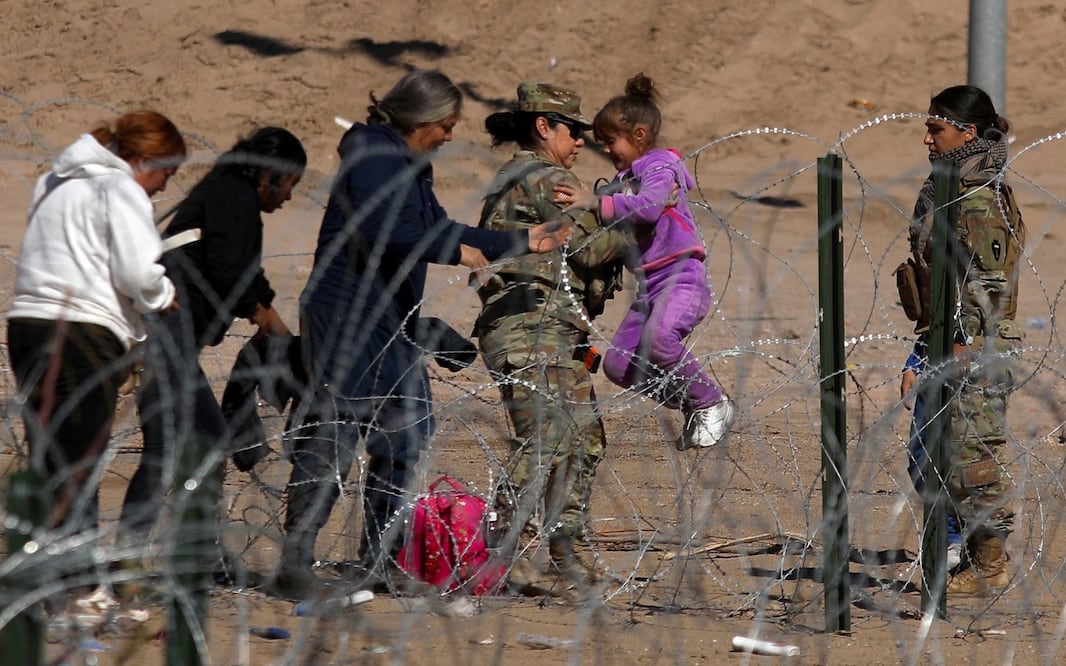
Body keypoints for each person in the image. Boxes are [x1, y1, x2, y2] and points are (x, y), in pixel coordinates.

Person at [275, 69, 571, 596]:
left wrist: (524, 241)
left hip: (388, 323)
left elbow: (439, 229)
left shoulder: (411, 166)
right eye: (448, 125)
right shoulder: (371, 153)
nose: (451, 137)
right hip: (344, 316)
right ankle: (295, 562)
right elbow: (383, 227)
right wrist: (453, 250)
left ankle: (381, 558)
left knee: (406, 434)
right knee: (338, 434)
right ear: (424, 119)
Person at [115, 127, 306, 592]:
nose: (288, 198)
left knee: (172, 449)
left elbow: (236, 268)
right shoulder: (231, 197)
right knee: (202, 443)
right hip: (164, 339)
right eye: (289, 185)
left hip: (161, 339)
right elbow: (230, 271)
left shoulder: (225, 194)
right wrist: (271, 322)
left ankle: (148, 555)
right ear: (268, 175)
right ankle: (176, 555)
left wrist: (270, 319)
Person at [6, 110, 184, 591]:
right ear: (143, 159)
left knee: (52, 460)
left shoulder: (53, 182)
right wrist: (162, 298)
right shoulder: (119, 188)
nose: (161, 189)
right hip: (83, 334)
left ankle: (40, 579)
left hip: (27, 327)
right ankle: (78, 590)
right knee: (80, 465)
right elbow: (138, 270)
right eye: (165, 174)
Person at [473, 82, 629, 587]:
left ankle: (568, 551)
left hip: (547, 325)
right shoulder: (545, 178)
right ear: (544, 127)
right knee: (547, 438)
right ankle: (495, 551)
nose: (581, 141)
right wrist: (630, 212)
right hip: (529, 325)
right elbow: (592, 250)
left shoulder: (523, 176)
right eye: (573, 131)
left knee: (581, 438)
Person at [556, 73, 735, 450]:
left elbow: (651, 208)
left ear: (638, 136)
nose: (605, 150)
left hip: (681, 275)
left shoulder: (657, 167)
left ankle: (711, 401)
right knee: (619, 366)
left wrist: (596, 203)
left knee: (660, 340)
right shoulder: (625, 178)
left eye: (610, 142)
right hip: (649, 285)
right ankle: (692, 403)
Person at [897, 84, 1025, 596]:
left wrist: (962, 352)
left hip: (977, 347)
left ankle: (989, 565)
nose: (927, 138)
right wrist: (924, 350)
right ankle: (955, 547)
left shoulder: (979, 201)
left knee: (971, 458)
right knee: (925, 452)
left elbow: (992, 294)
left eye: (937, 128)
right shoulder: (944, 190)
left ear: (967, 133)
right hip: (941, 338)